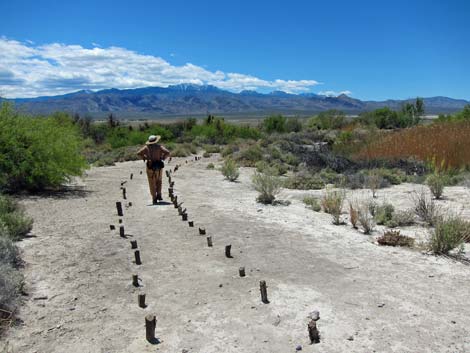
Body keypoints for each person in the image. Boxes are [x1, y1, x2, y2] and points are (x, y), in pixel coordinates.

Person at [137, 135, 170, 204]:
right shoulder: (159, 147)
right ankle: (159, 195)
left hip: (150, 166)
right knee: (159, 181)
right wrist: (163, 158)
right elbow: (167, 152)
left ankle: (154, 198)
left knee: (152, 182)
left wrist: (145, 158)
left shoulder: (146, 147)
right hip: (158, 166)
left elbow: (138, 154)